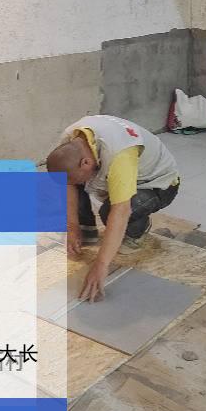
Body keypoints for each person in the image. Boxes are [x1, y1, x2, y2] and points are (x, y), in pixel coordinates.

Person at [46, 115, 180, 302]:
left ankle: (137, 232)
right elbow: (68, 185)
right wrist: (72, 227)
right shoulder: (71, 138)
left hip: (157, 183)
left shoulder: (120, 155)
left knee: (109, 212)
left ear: (86, 162)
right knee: (74, 181)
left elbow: (121, 210)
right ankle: (85, 232)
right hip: (123, 172)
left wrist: (100, 265)